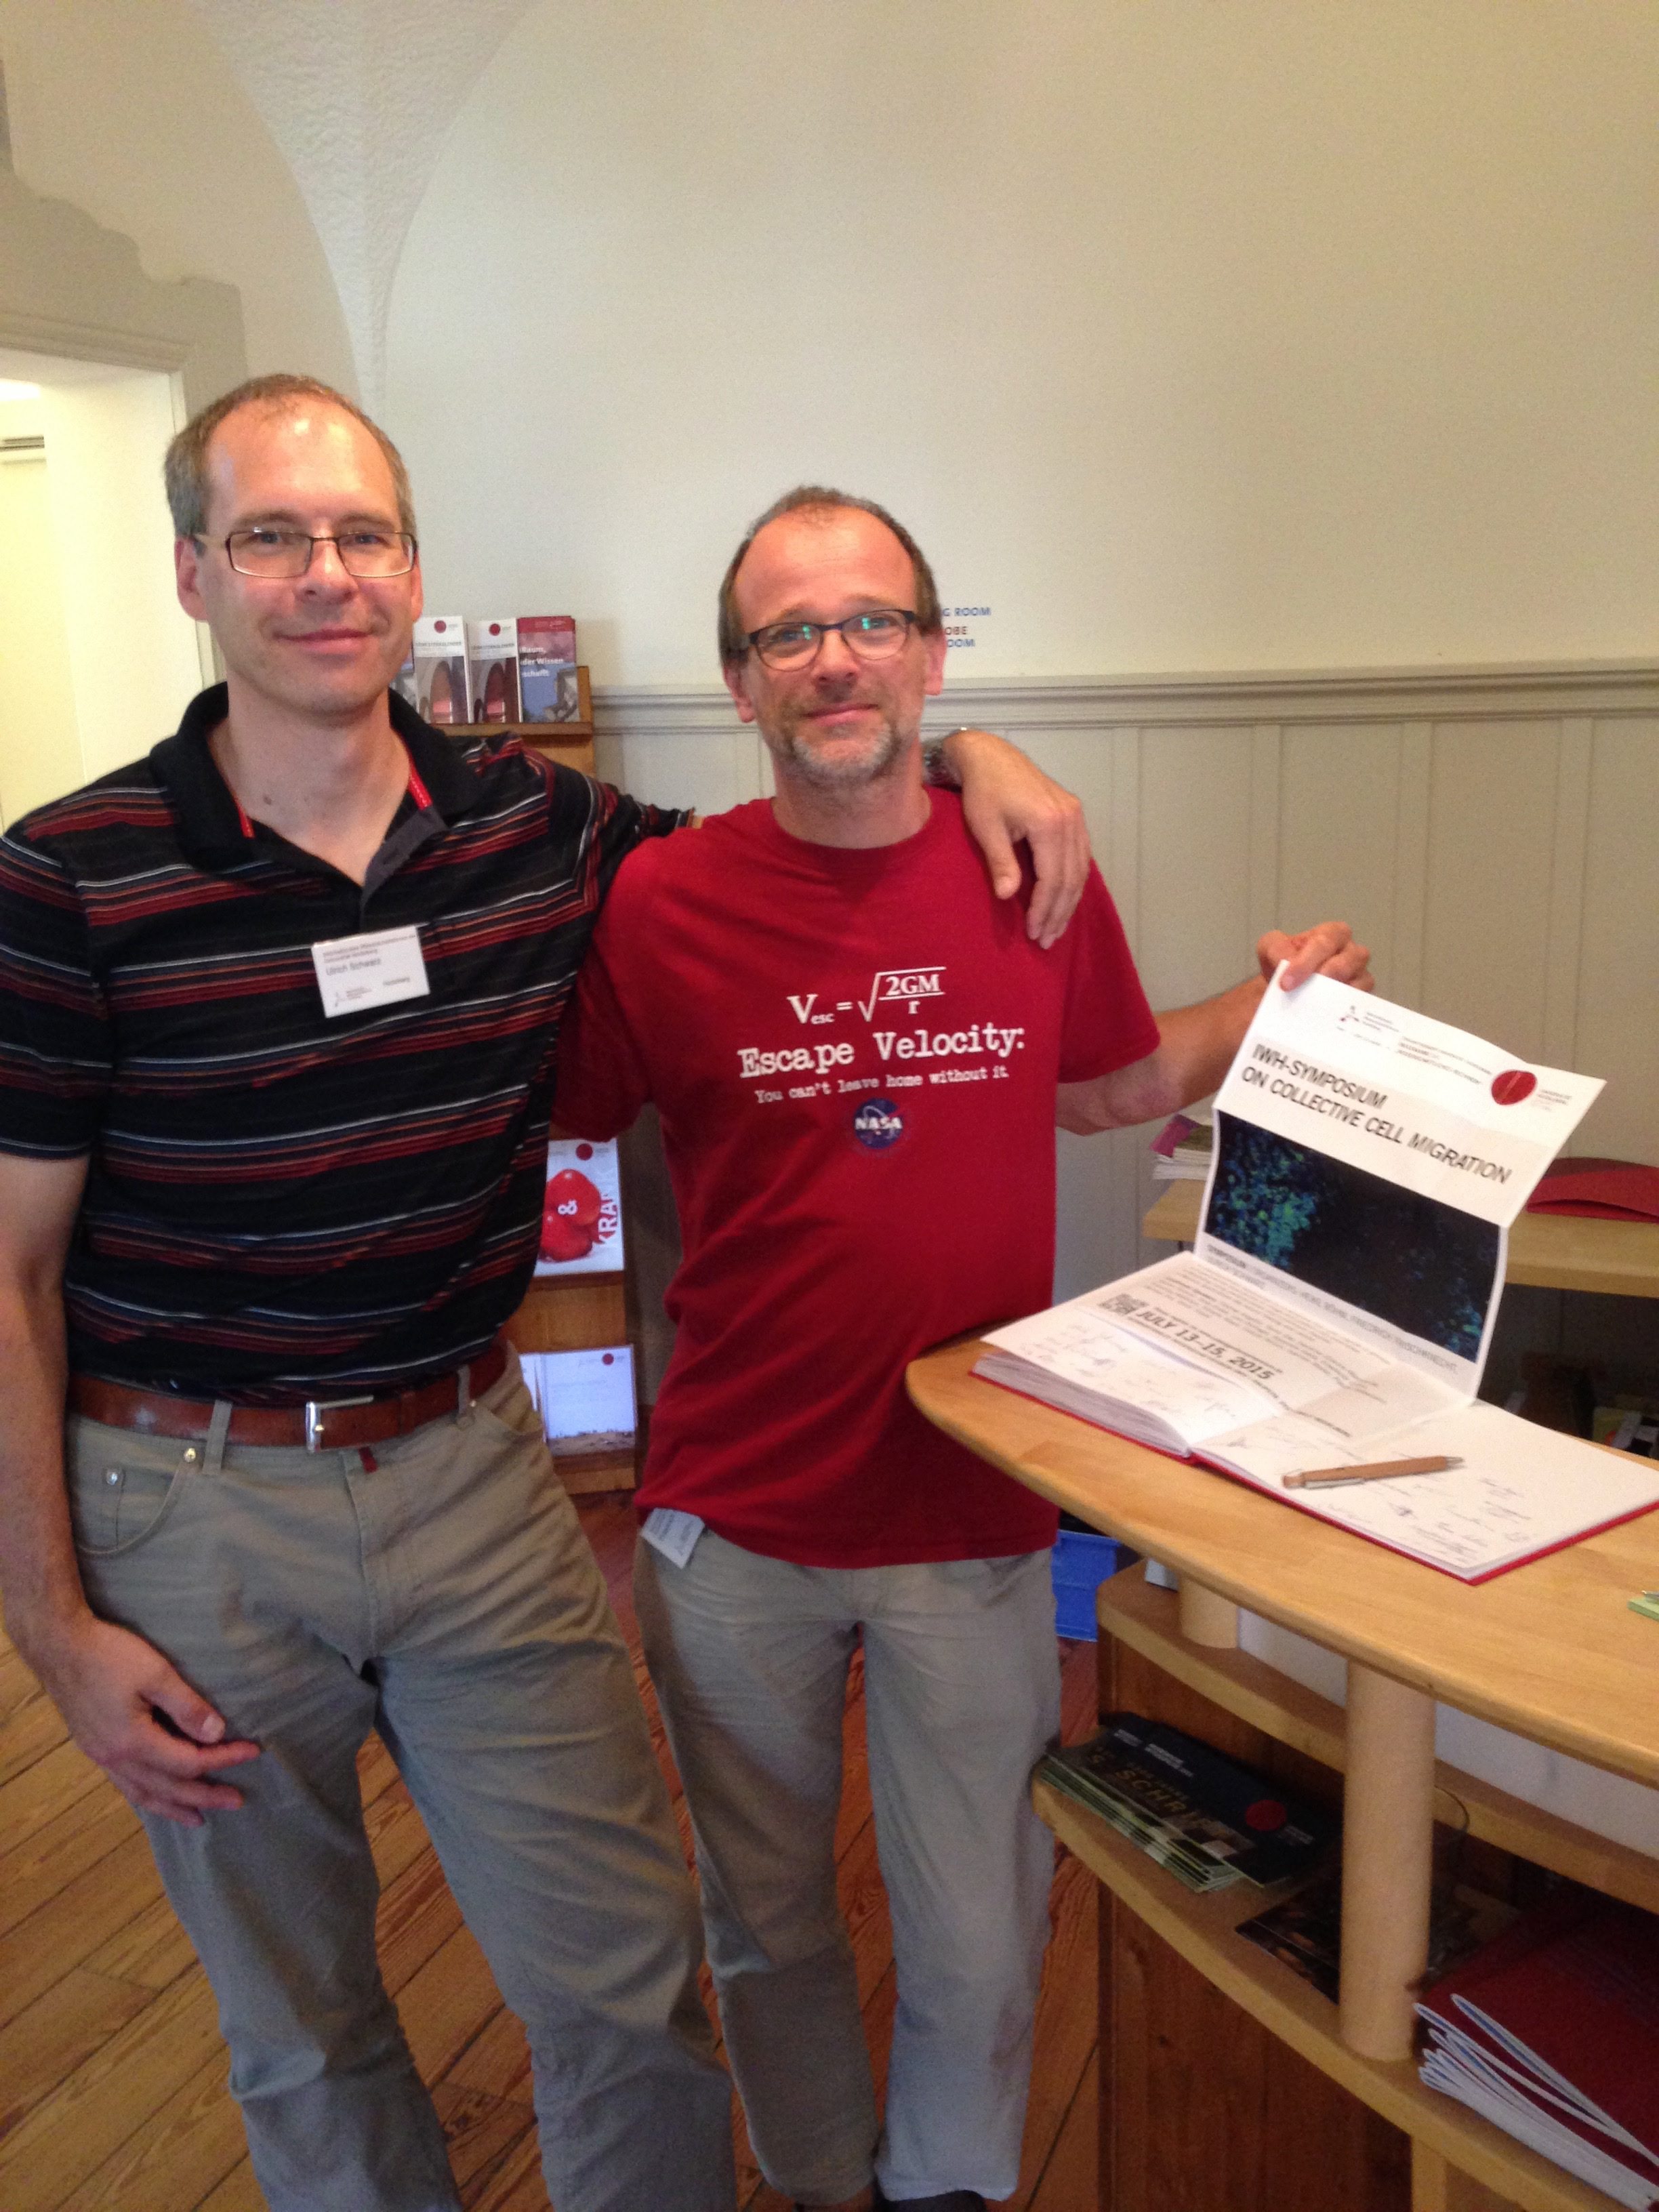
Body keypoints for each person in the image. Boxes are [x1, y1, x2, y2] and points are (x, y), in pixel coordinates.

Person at [0, 381, 1098, 2212]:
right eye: (272, 536)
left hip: (474, 1471)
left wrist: (979, 754)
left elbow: (817, 815)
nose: (324, 576)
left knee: (623, 1981)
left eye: (360, 535)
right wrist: (49, 1627)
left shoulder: (539, 828)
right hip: (187, 1512)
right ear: (195, 570)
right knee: (306, 2022)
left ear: (415, 572)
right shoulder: (68, 877)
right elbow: (11, 1274)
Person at [552, 485, 1372, 2212]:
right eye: (790, 632)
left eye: (871, 623)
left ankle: (950, 2187)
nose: (833, 658)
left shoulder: (1029, 865)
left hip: (976, 1504)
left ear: (930, 654)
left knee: (986, 1941)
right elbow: (548, 1119)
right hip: (733, 1516)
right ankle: (813, 2177)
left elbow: (1112, 1084)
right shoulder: (660, 904)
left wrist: (1279, 1006)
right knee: (764, 1926)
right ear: (738, 680)